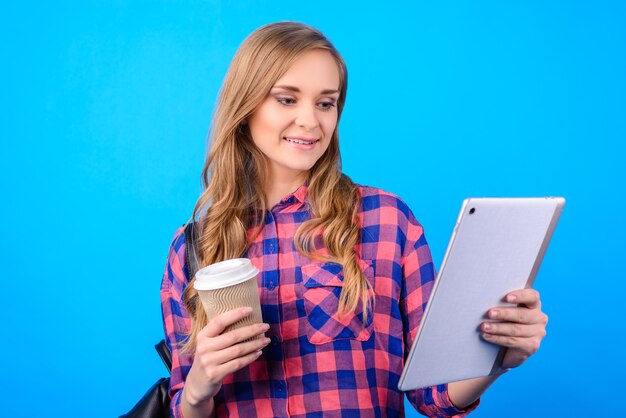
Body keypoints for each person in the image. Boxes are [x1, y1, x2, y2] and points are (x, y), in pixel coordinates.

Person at [160, 21, 548, 418]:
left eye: (325, 103)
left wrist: (498, 357)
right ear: (246, 106)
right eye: (287, 99)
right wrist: (195, 390)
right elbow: (185, 405)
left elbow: (435, 395)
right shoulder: (194, 247)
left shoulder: (386, 220)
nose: (311, 121)